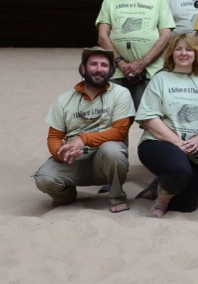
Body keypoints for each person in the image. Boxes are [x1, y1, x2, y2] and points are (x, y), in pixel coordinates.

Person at [33, 47, 135, 213]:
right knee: (43, 179)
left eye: (104, 65)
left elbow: (120, 132)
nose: (99, 68)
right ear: (83, 69)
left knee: (114, 150)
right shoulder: (64, 99)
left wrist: (83, 139)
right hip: (75, 160)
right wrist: (61, 153)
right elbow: (54, 136)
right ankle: (67, 195)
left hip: (105, 160)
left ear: (111, 71)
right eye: (93, 64)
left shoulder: (121, 94)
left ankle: (116, 196)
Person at [134, 33, 198, 218]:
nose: (183, 53)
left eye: (188, 49)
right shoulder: (161, 78)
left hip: (194, 149)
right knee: (179, 169)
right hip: (159, 143)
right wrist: (177, 142)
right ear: (171, 53)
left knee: (185, 206)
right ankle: (160, 203)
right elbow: (149, 118)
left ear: (196, 53)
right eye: (178, 49)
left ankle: (160, 185)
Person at [96, 0, 175, 108]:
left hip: (150, 73)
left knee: (153, 122)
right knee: (115, 124)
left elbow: (166, 36)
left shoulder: (159, 0)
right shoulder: (110, 0)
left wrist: (142, 63)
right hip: (117, 73)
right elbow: (102, 36)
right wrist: (121, 63)